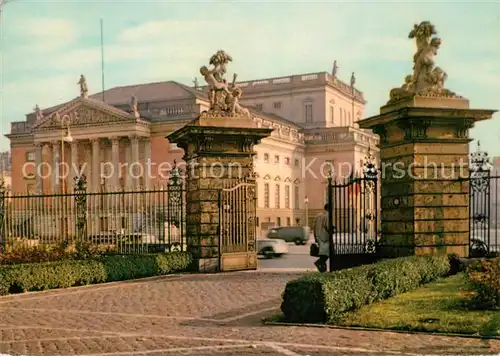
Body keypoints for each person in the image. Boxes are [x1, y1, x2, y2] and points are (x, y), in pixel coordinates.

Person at [313, 203, 330, 272]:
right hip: (325, 237)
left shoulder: (318, 216)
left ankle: (322, 268)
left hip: (318, 237)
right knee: (327, 253)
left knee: (323, 253)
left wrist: (315, 237)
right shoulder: (327, 216)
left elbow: (314, 227)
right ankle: (319, 263)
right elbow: (328, 227)